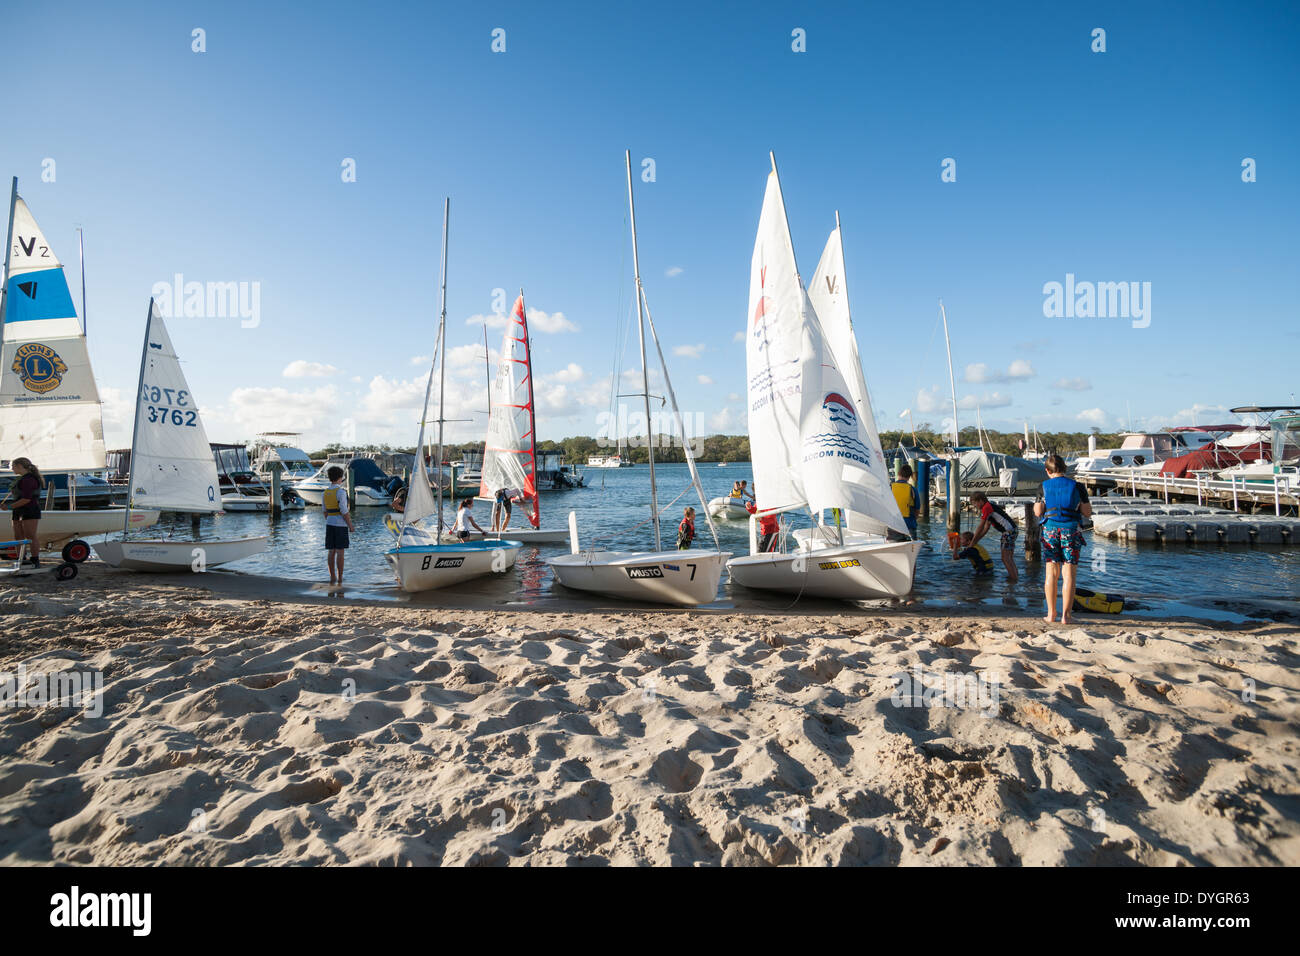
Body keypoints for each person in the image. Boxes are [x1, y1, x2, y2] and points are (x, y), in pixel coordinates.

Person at [1035, 454, 1092, 623]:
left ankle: (1051, 614)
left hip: (1050, 530)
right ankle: (1066, 616)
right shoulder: (1078, 486)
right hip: (1071, 530)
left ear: (1047, 470)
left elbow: (1038, 512)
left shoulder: (1042, 486)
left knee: (1051, 572)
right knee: (1069, 573)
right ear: (1065, 468)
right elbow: (1087, 512)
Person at [968, 491, 1019, 582]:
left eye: (974, 503)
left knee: (1005, 558)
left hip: (1008, 532)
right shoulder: (989, 507)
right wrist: (976, 541)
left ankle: (1013, 580)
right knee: (1009, 558)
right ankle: (1015, 577)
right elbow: (986, 528)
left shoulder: (987, 507)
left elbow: (980, 527)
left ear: (980, 500)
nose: (975, 506)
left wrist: (972, 543)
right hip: (1013, 530)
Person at [7, 458, 43, 566]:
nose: (12, 469)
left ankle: (35, 559)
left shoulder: (29, 479)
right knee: (18, 536)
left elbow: (27, 499)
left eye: (13, 466)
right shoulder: (21, 479)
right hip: (18, 510)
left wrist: (9, 506)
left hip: (30, 510)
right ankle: (21, 558)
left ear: (20, 466)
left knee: (30, 535)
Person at [322, 466, 355, 585]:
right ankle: (340, 578)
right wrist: (350, 525)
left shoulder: (325, 492)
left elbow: (324, 511)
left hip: (329, 523)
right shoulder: (341, 492)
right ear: (340, 478)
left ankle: (332, 577)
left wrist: (329, 519)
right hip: (340, 525)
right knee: (340, 552)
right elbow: (344, 511)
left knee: (331, 551)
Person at [890, 464, 920, 539]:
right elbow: (917, 510)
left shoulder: (890, 488)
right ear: (909, 477)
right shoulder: (913, 490)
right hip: (909, 526)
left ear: (898, 474)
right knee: (912, 549)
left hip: (894, 525)